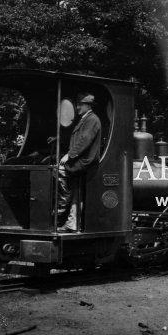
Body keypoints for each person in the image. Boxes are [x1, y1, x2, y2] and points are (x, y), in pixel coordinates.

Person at [50, 93, 101, 232]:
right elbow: (75, 137)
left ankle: (60, 209)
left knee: (58, 171)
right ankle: (71, 221)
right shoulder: (85, 119)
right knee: (73, 189)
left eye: (80, 105)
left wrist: (69, 156)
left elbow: (84, 140)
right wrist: (57, 139)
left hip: (84, 161)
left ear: (88, 106)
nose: (77, 107)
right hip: (79, 159)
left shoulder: (92, 120)